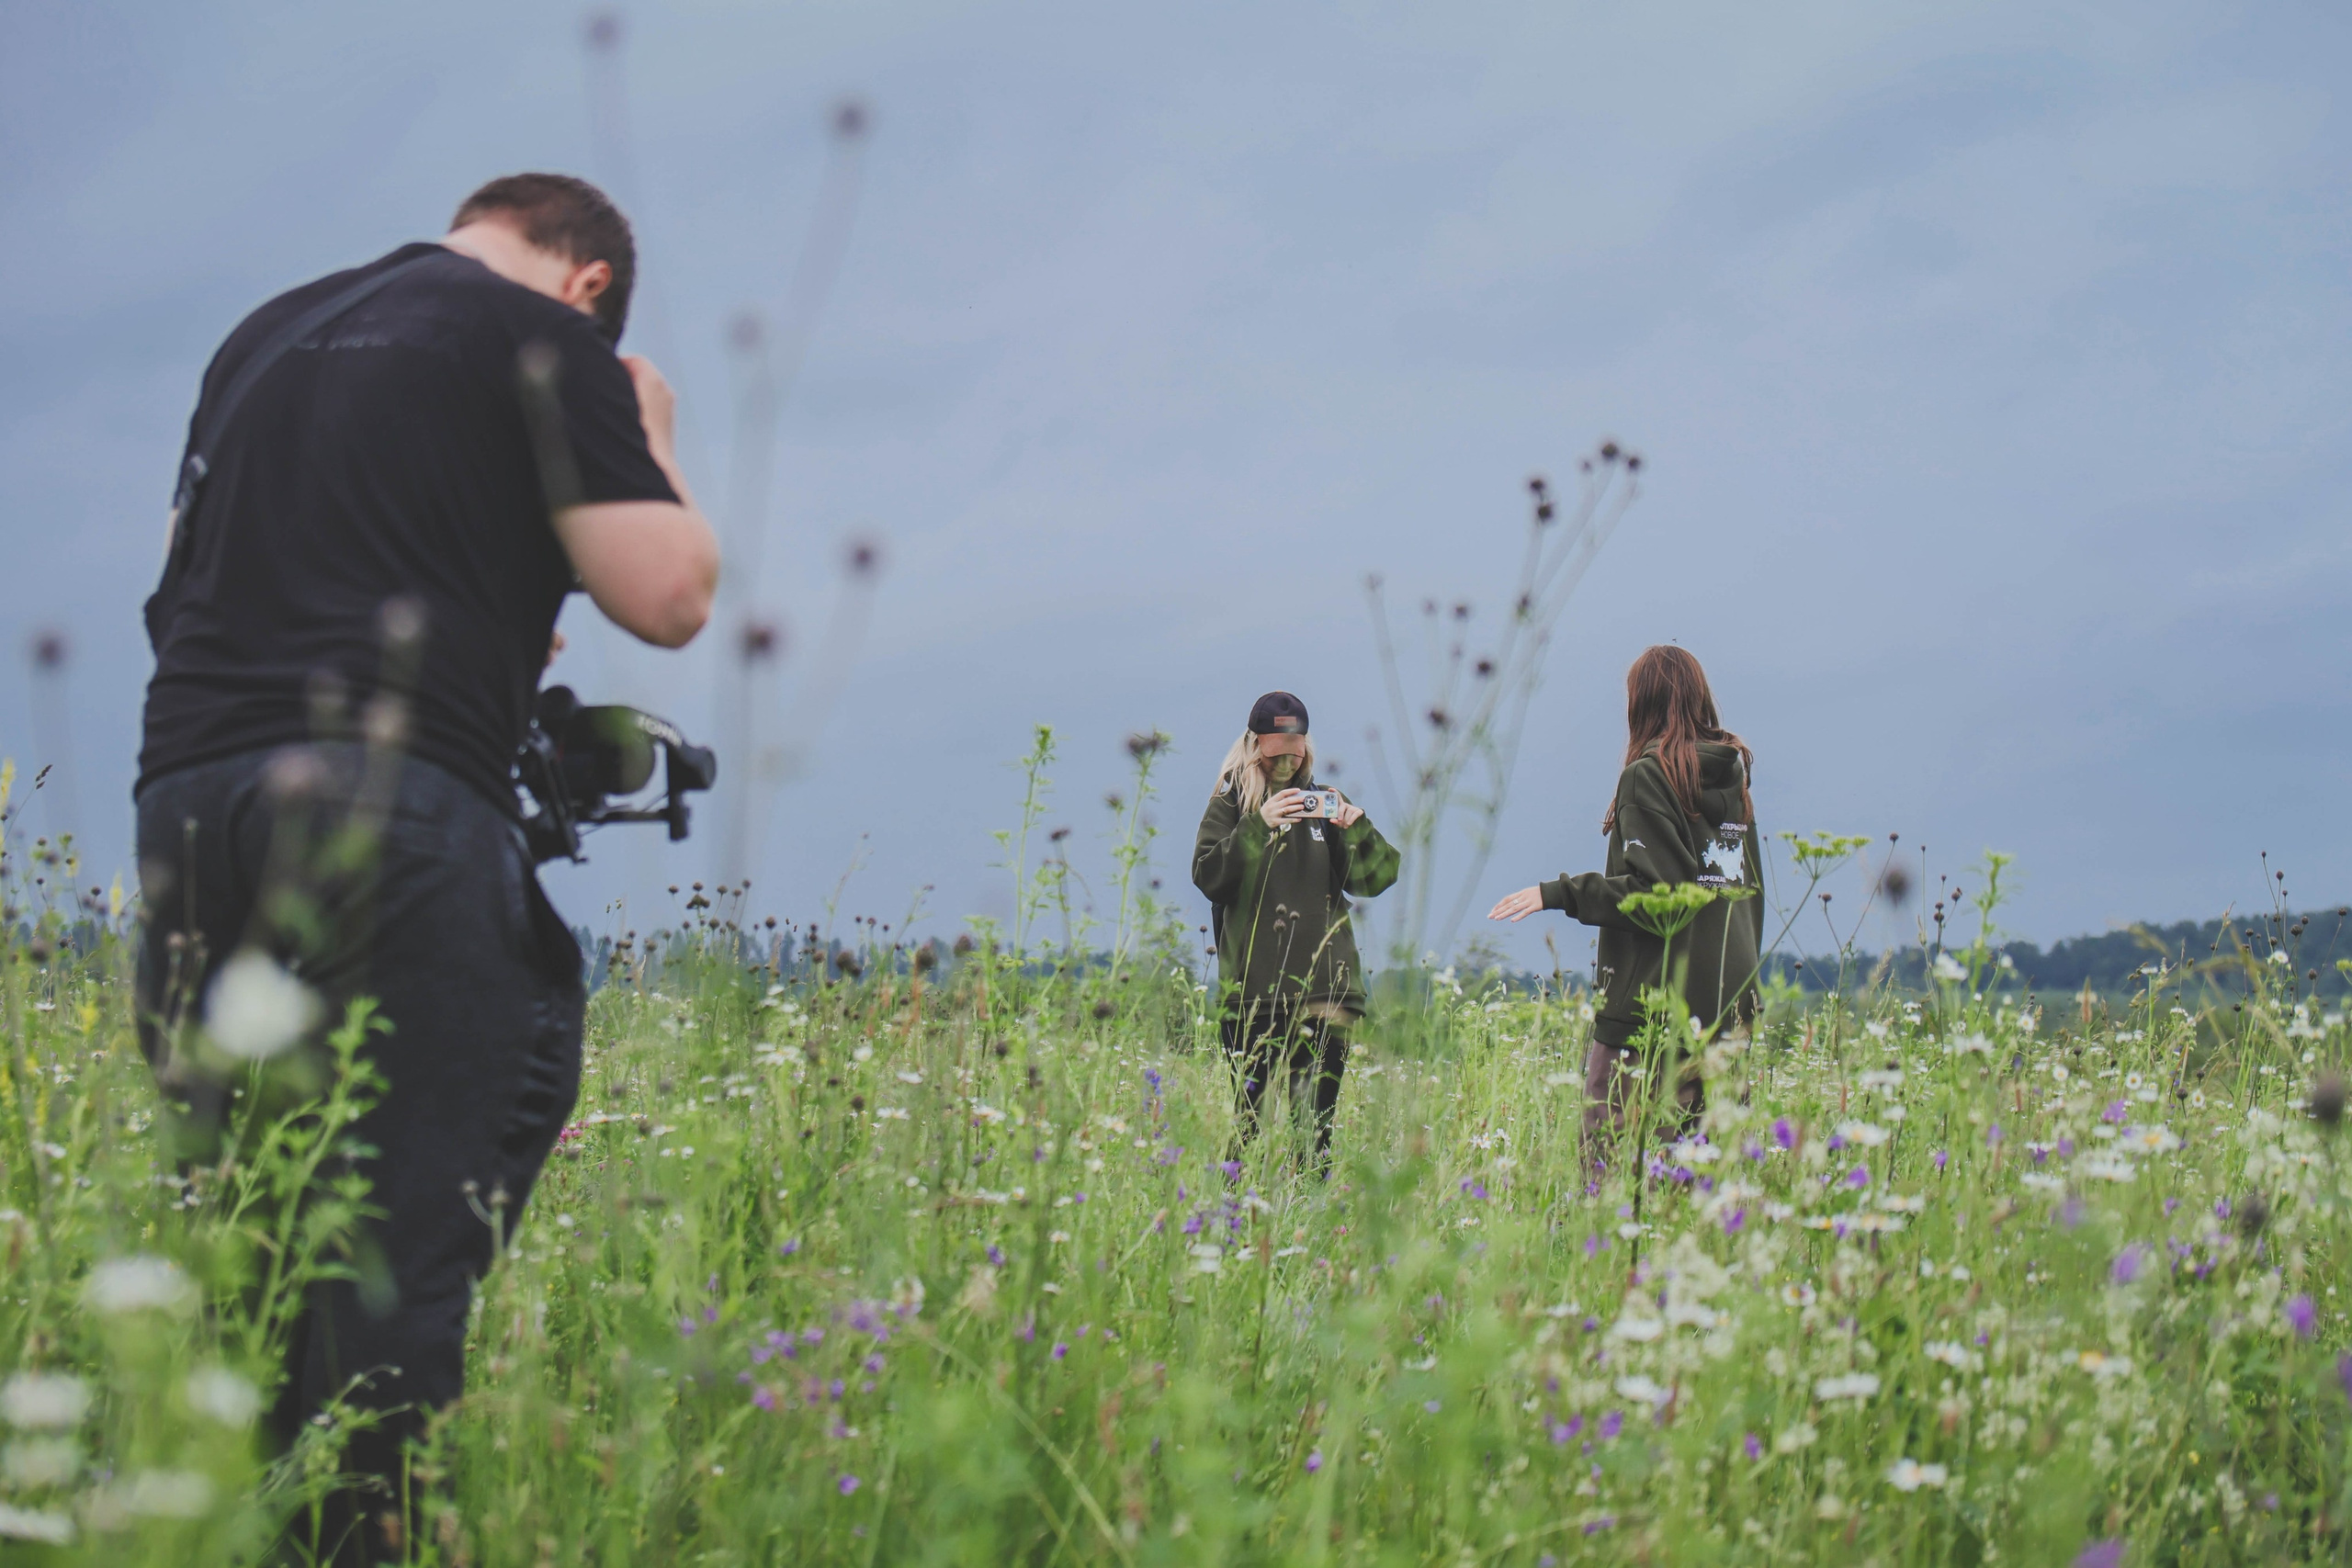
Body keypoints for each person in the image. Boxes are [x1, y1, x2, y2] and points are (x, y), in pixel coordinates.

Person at [134, 173, 718, 1562]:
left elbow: (180, 587)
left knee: (256, 1229)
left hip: (192, 797)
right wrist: (649, 434)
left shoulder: (264, 335)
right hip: (388, 802)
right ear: (588, 281)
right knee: (403, 1233)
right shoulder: (551, 338)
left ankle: (234, 1518)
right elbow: (668, 590)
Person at [1487, 646, 1761, 1163]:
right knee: (1716, 1178)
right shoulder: (1732, 780)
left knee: (1612, 1165)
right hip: (1729, 1005)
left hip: (1652, 1012)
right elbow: (1741, 895)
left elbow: (1658, 896)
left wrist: (1557, 894)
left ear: (1642, 703)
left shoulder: (1647, 775)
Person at [1192, 692, 1398, 1168]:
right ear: (1253, 744)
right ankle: (1234, 1228)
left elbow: (1378, 878)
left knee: (1315, 1132)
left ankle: (1312, 1231)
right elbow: (1208, 877)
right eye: (1276, 746)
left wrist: (1358, 827)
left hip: (1327, 993)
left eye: (1296, 744)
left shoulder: (1326, 802)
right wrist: (1258, 825)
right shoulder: (1230, 804)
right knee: (1248, 1126)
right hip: (1253, 997)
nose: (1287, 755)